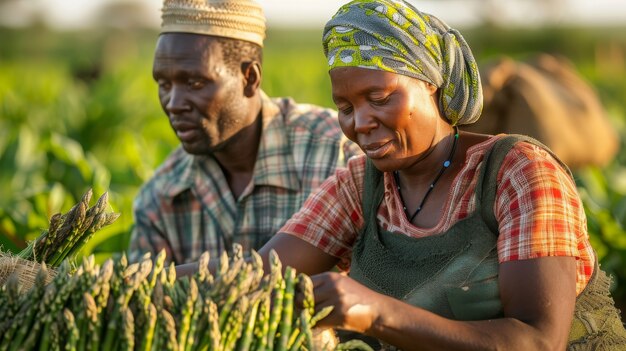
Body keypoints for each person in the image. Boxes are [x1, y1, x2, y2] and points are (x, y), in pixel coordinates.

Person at [247, 0, 625, 349]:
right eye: (345, 107)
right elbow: (259, 273)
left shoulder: (519, 171)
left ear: (431, 82)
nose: (360, 123)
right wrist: (186, 277)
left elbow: (539, 340)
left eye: (379, 99)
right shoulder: (361, 184)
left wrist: (377, 313)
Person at [128, 0, 361, 264]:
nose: (173, 103)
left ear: (250, 78)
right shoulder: (161, 197)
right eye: (164, 84)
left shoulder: (336, 155)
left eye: (195, 83)